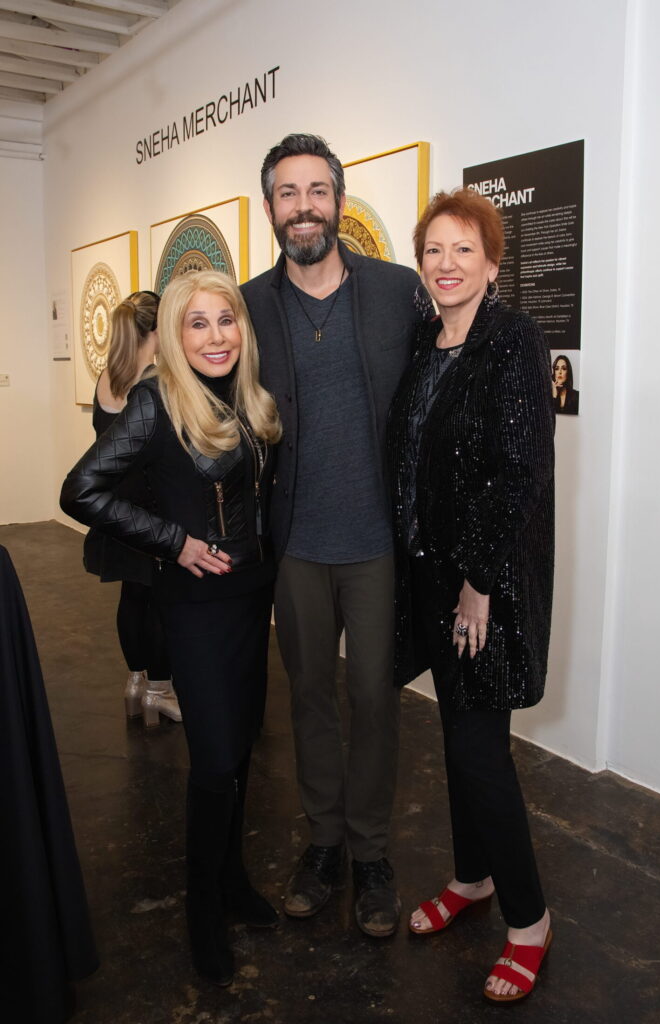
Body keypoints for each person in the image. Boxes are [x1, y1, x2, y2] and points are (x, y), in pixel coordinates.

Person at [61, 270, 283, 987]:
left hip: (252, 598)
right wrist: (173, 542)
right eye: (199, 323)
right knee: (214, 761)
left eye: (227, 321)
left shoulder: (245, 398)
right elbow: (82, 489)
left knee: (240, 749)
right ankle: (200, 914)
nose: (216, 336)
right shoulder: (156, 403)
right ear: (175, 335)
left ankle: (233, 883)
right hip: (195, 606)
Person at [241, 133, 425, 937]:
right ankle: (323, 843)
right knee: (310, 697)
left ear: (339, 203)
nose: (304, 206)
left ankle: (373, 853)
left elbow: (432, 398)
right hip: (297, 546)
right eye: (288, 192)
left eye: (318, 190)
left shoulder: (395, 291)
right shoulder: (249, 306)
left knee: (374, 701)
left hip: (378, 544)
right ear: (271, 207)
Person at [387, 188, 555, 1002]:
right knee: (457, 740)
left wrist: (478, 585)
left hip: (481, 588)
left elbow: (518, 474)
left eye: (464, 250)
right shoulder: (425, 339)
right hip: (428, 577)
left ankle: (528, 922)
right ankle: (472, 878)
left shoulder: (514, 341)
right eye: (434, 251)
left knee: (479, 751)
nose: (447, 265)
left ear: (492, 262)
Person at [83, 290, 180, 726]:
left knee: (132, 598)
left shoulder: (107, 379)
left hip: (114, 510)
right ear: (154, 331)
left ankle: (135, 683)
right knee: (159, 603)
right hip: (150, 511)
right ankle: (160, 690)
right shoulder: (154, 384)